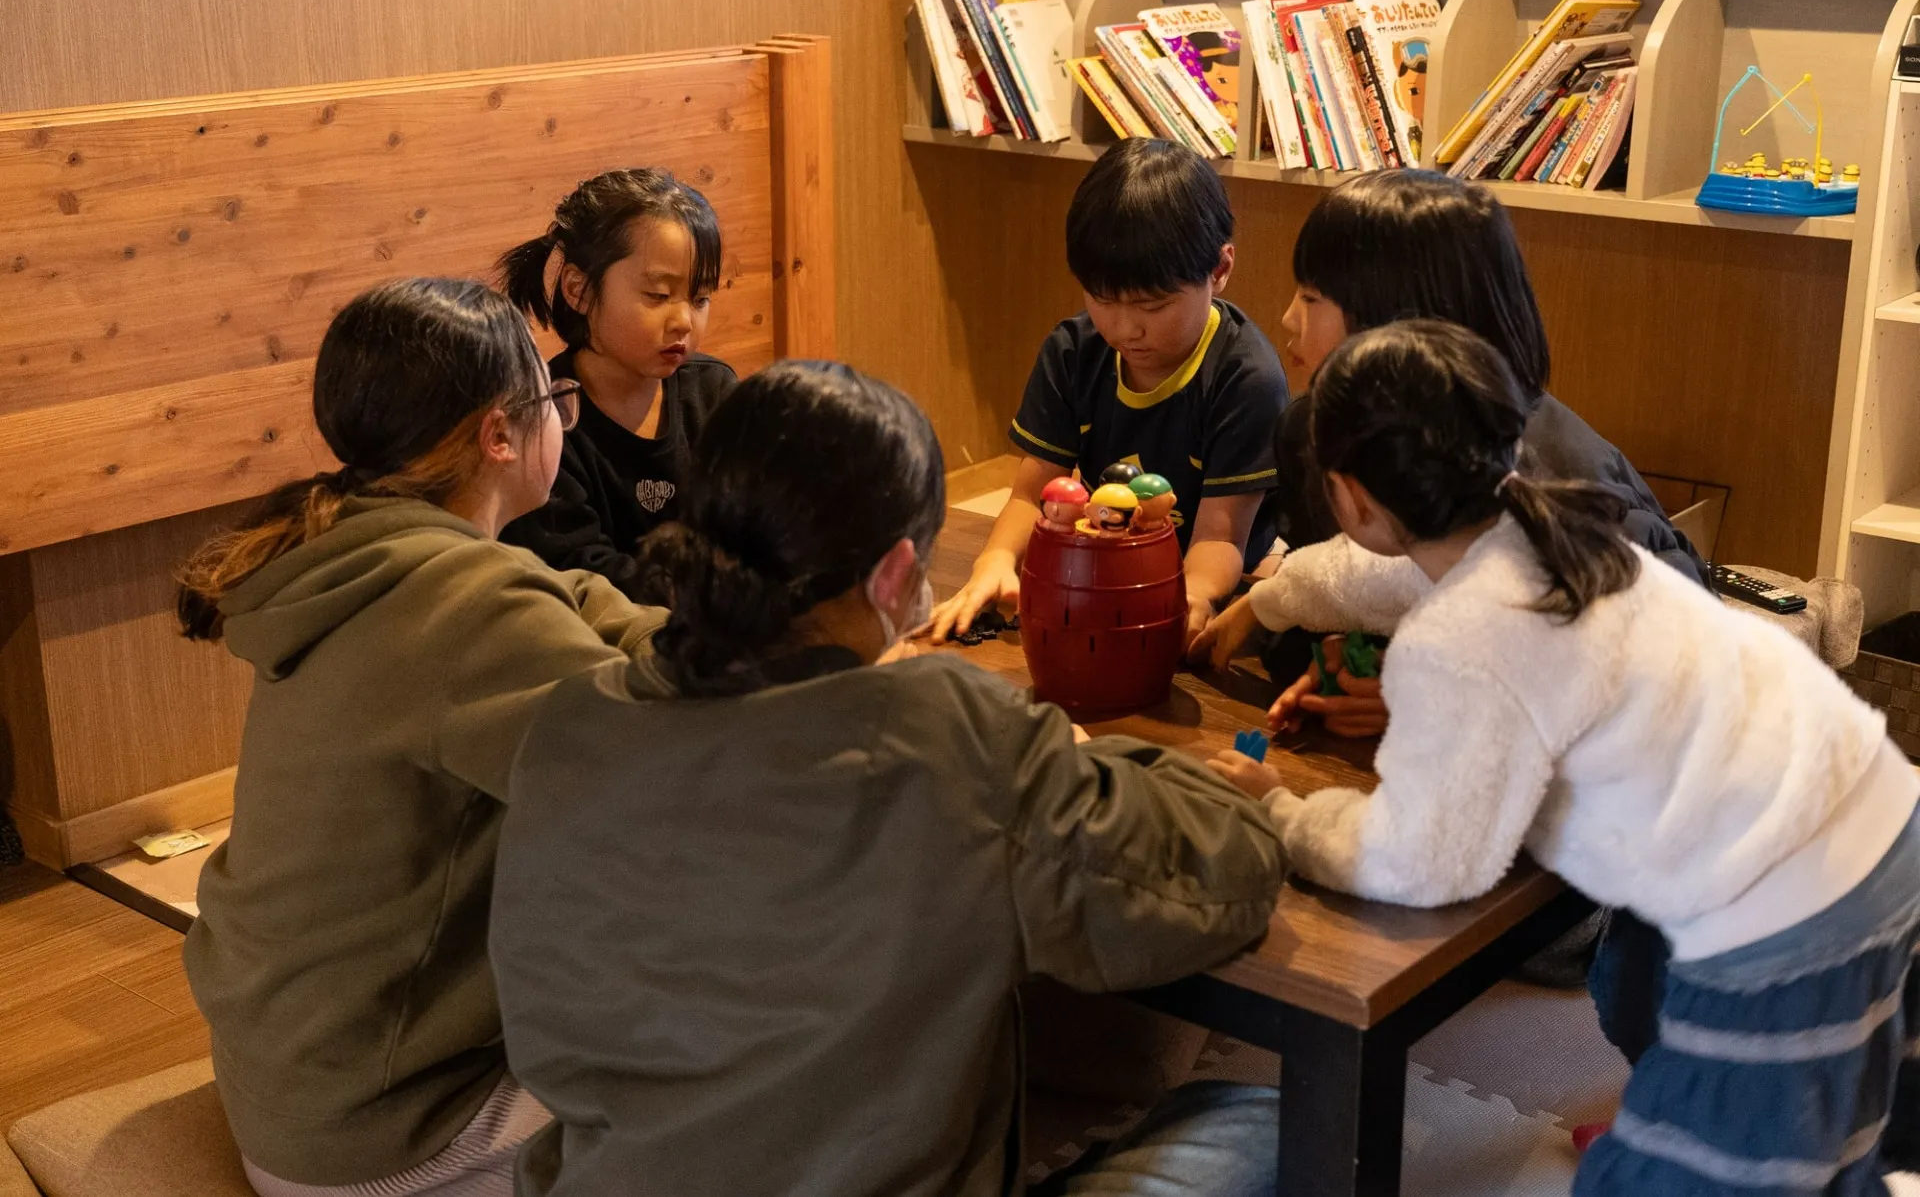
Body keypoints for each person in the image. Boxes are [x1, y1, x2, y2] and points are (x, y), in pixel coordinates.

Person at [489, 360, 1289, 1197]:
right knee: (1260, 1123)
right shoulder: (942, 729)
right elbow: (1218, 877)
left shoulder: (571, 721)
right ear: (894, 575)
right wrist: (1079, 756)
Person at [1207, 319, 1920, 1197]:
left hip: (1785, 913)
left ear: (1351, 499)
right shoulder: (1555, 524)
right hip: (1878, 821)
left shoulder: (1459, 636)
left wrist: (1279, 811)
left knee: (1663, 1177)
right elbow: (1361, 577)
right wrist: (1268, 601)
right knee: (1791, 1108)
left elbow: (1419, 860)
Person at [178, 278, 669, 1196]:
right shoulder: (467, 606)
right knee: (763, 1054)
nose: (563, 417)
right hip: (385, 1133)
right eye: (554, 401)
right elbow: (668, 780)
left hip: (293, 1074)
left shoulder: (356, 553)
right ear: (498, 433)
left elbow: (575, 604)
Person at [1197, 169, 1704, 704]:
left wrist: (1423, 684)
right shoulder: (1314, 433)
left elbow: (1663, 668)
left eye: (1312, 298)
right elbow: (1332, 610)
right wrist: (1348, 664)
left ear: (1402, 323)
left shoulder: (1548, 476)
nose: (1287, 318)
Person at [929, 137, 1288, 646]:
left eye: (1152, 306)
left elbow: (1221, 539)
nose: (1124, 330)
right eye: (1101, 299)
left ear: (1220, 270)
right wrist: (994, 562)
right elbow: (1031, 495)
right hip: (1106, 558)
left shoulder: (1244, 376)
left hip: (1225, 572)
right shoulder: (1074, 351)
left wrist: (1191, 598)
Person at [498, 167, 736, 599]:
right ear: (580, 290)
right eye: (658, 296)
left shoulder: (714, 392)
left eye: (700, 298)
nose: (684, 320)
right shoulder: (545, 418)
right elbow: (580, 574)